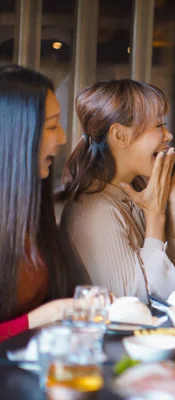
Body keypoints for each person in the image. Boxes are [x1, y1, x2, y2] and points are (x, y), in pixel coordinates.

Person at [60, 79, 175, 303]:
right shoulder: (94, 211)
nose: (168, 135)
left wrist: (174, 216)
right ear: (120, 136)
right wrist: (156, 216)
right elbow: (135, 306)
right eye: (159, 125)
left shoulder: (140, 191)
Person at [0, 65, 82, 342]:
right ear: (14, 135)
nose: (62, 138)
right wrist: (43, 317)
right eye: (51, 126)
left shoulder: (31, 213)